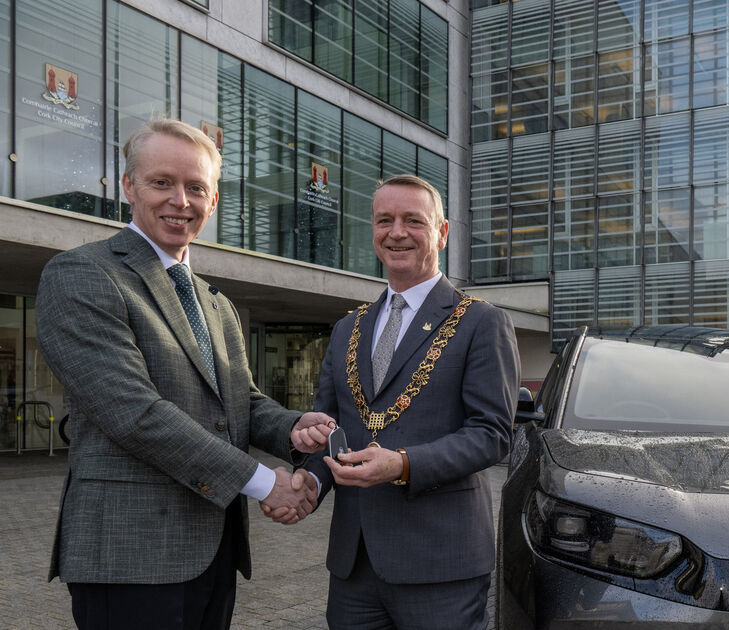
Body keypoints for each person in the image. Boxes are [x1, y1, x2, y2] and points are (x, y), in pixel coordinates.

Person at [36, 118, 335, 630]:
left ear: (213, 201)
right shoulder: (82, 275)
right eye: (162, 182)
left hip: (213, 551)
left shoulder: (215, 302)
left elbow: (240, 401)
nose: (180, 200)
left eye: (196, 188)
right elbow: (135, 413)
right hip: (130, 557)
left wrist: (292, 429)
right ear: (128, 185)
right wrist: (265, 482)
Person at [293, 174, 519, 629]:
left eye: (413, 220)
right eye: (384, 220)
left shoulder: (481, 322)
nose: (396, 232)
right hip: (355, 566)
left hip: (441, 565)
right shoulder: (346, 328)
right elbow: (331, 428)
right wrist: (311, 482)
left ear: (442, 232)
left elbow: (492, 435)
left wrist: (402, 465)